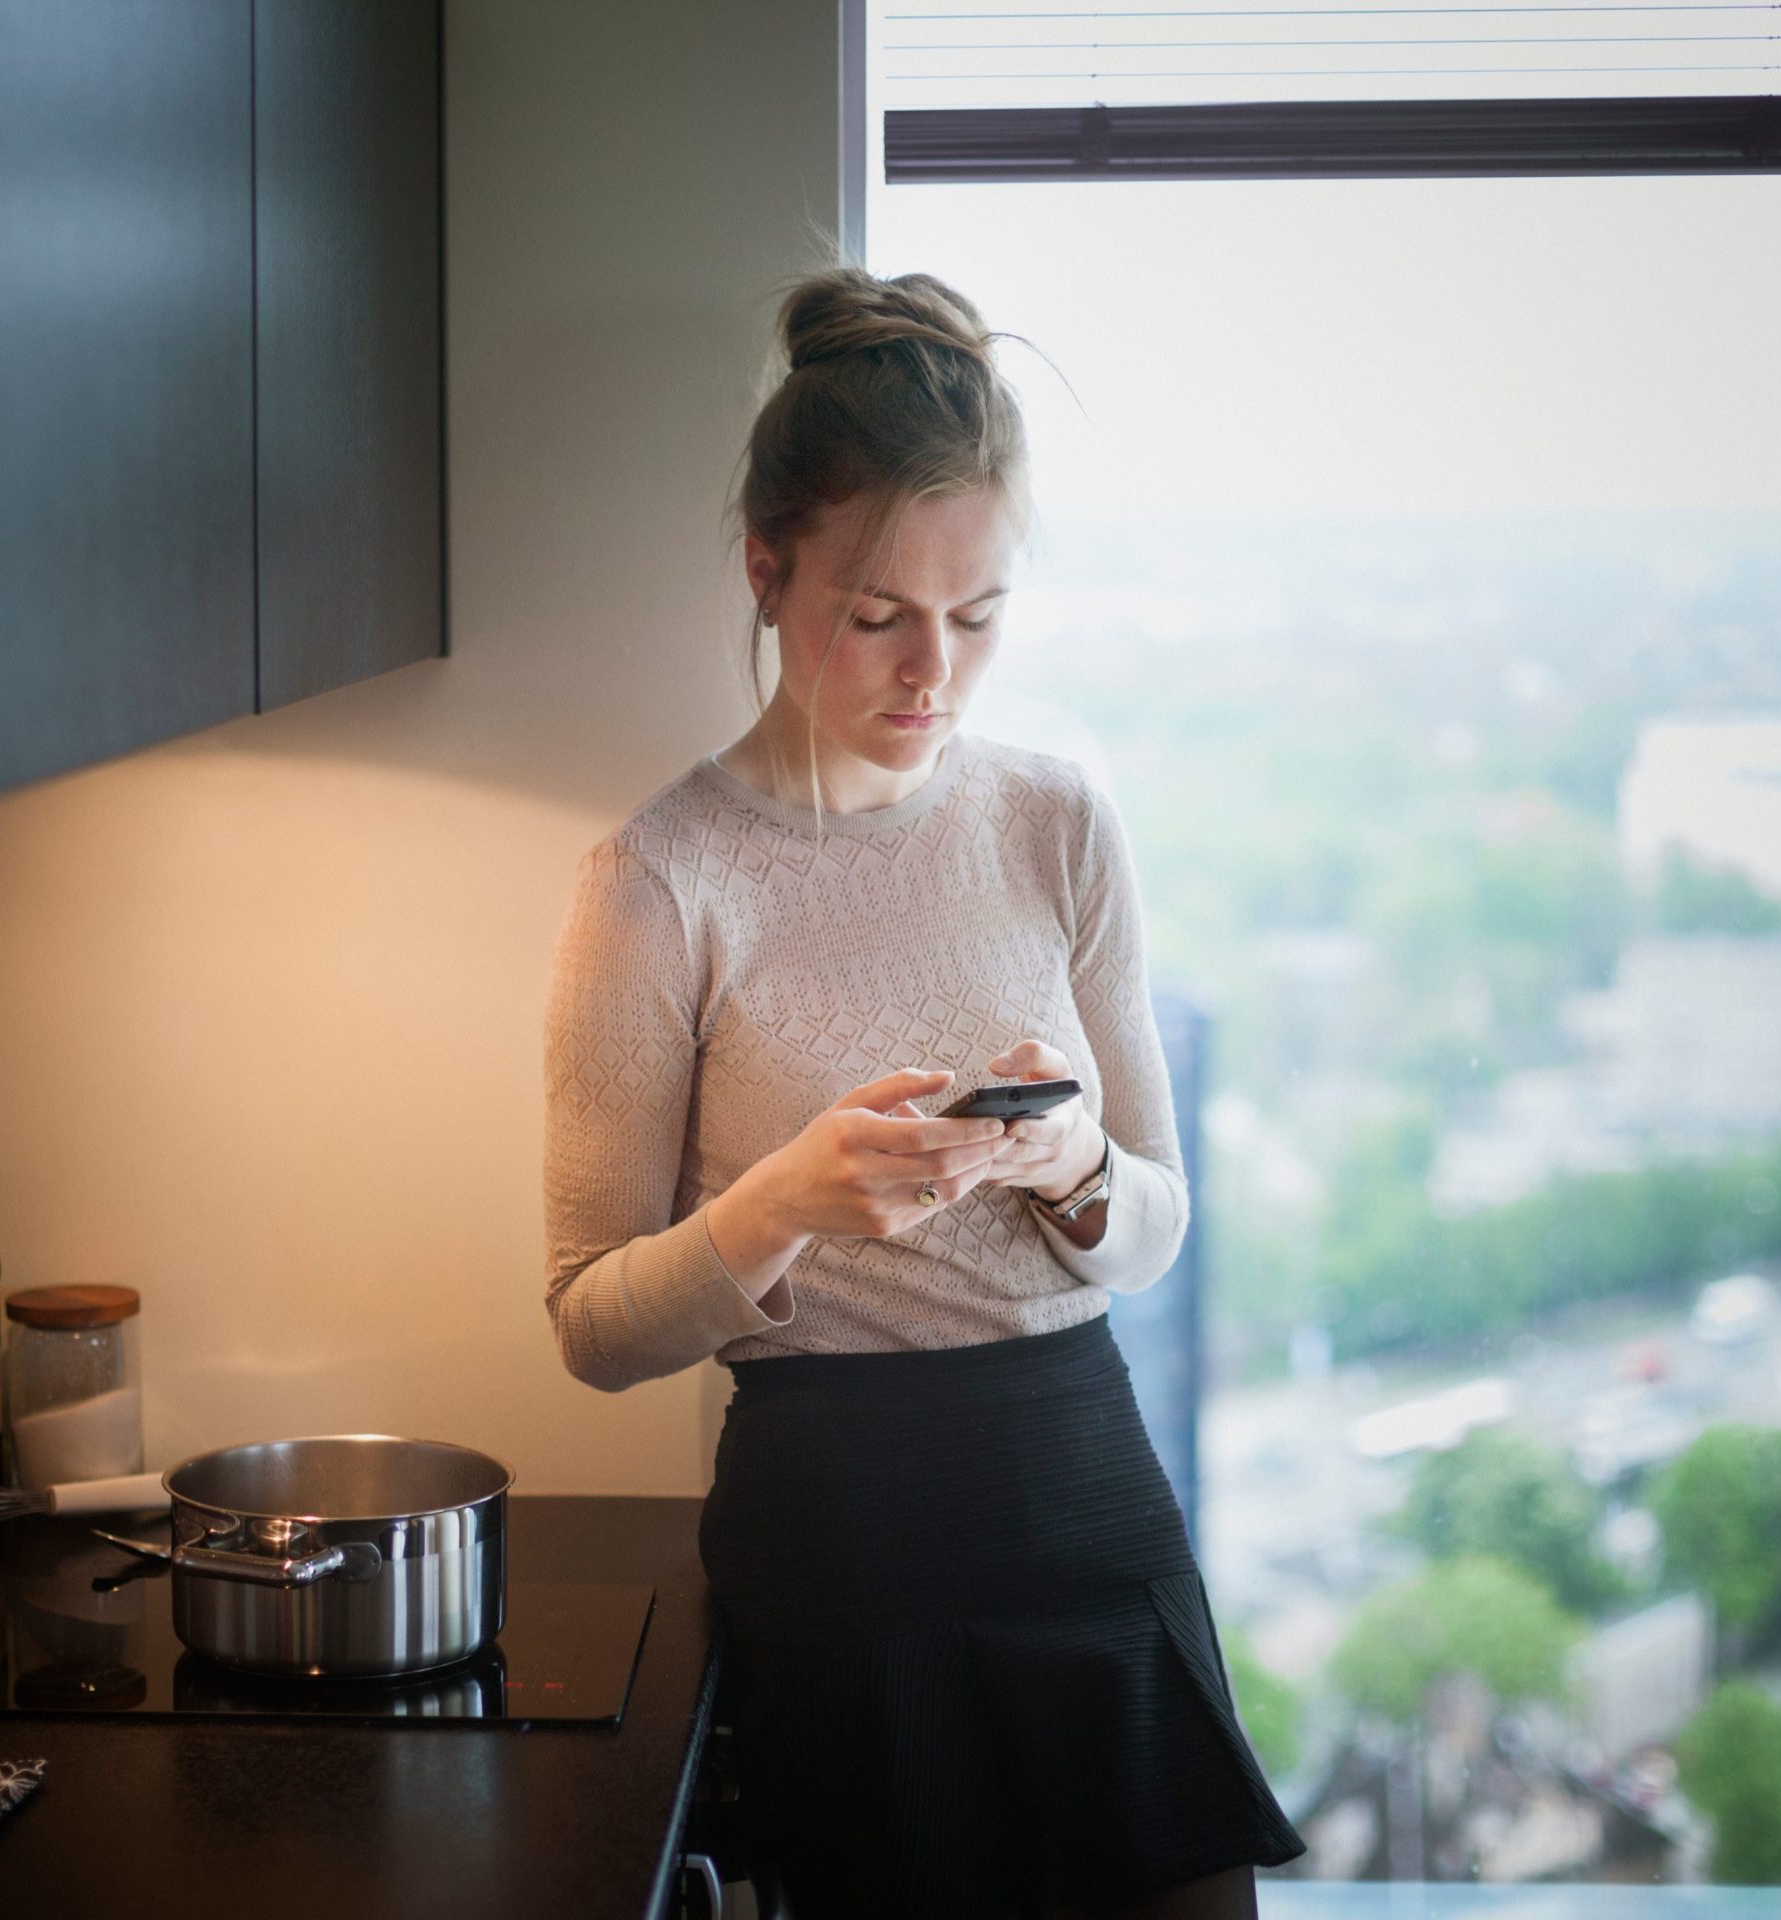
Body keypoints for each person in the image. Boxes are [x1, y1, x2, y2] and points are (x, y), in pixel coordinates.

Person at [541, 263, 1305, 1919]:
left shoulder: (1056, 818)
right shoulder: (659, 881)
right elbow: (591, 1325)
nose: (930, 674)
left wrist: (1075, 1158)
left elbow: (1159, 1226)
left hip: (1089, 1495)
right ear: (766, 567)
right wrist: (780, 1207)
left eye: (978, 618)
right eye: (877, 615)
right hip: (842, 1537)